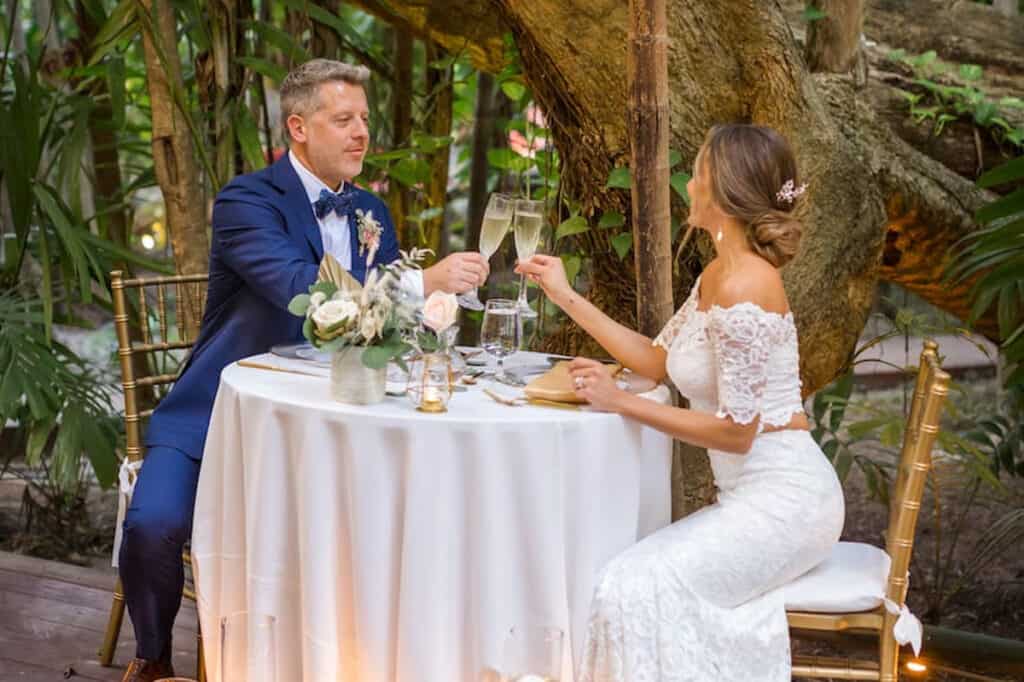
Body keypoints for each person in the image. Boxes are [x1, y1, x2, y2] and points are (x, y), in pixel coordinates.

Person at [117, 59, 489, 682]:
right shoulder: (244, 202)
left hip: (340, 416)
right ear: (297, 127)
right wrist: (420, 281)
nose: (361, 133)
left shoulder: (371, 211)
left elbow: (388, 323)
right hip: (215, 416)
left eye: (364, 120)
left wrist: (434, 310)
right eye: (343, 120)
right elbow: (302, 290)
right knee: (153, 525)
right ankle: (153, 658)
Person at [516, 123, 844, 681]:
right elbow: (660, 361)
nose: (687, 185)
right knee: (627, 581)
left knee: (634, 586)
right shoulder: (719, 272)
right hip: (749, 499)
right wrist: (565, 294)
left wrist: (620, 402)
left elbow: (737, 430)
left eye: (697, 173)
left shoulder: (745, 284)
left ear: (725, 192)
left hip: (788, 504)